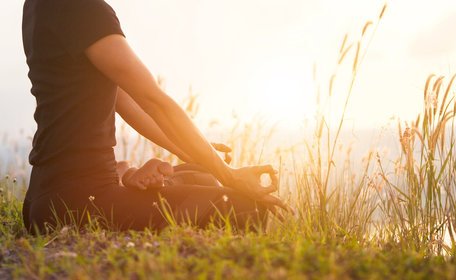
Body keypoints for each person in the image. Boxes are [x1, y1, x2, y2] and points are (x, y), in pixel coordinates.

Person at [21, 0, 286, 234]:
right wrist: (230, 175)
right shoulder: (83, 8)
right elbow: (153, 101)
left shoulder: (38, 6)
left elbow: (123, 100)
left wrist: (196, 153)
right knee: (246, 209)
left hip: (43, 198)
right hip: (80, 201)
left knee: (201, 175)